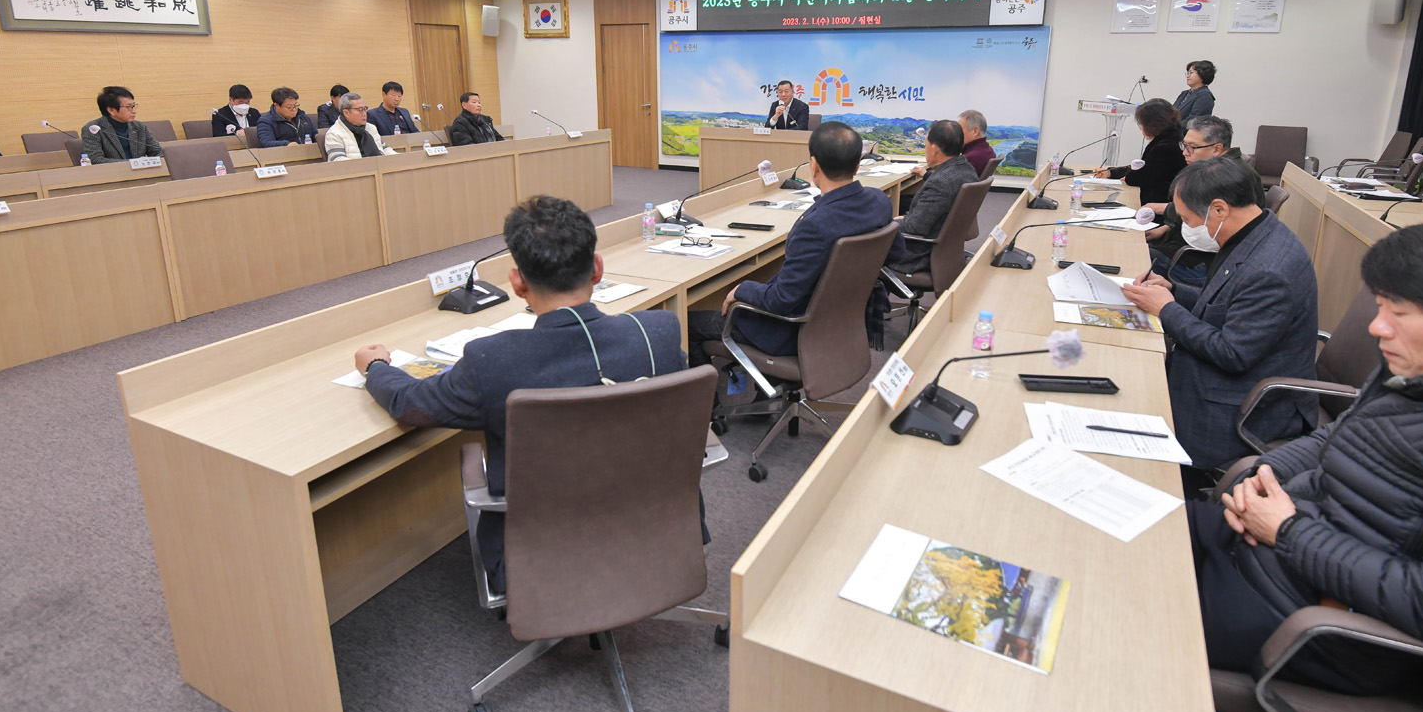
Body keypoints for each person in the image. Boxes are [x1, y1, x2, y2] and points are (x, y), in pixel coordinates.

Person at [1189, 219, 1423, 695]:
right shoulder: (1419, 372)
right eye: (1381, 307)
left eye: (1398, 313)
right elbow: (1338, 437)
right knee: (1117, 528)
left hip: (1313, 623)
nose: (1376, 327)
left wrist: (1287, 531)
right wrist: (1264, 475)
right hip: (1270, 550)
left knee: (1112, 611)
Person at [354, 196, 694, 595]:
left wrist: (376, 366)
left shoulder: (493, 362)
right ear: (598, 269)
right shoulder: (658, 333)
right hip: (658, 536)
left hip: (538, 563)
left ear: (517, 283)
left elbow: (409, 404)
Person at [1121, 156, 1318, 468]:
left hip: (1245, 404)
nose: (1187, 227)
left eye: (1188, 220)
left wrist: (1166, 308)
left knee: (1130, 399)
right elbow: (1226, 304)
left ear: (1219, 209)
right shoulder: (1255, 232)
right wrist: (1173, 291)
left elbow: (1232, 353)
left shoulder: (1270, 271)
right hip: (1230, 373)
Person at [686, 122, 902, 366]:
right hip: (844, 319)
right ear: (857, 165)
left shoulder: (813, 225)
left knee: (689, 325)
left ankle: (708, 390)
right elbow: (896, 252)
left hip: (793, 330)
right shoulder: (878, 201)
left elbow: (781, 299)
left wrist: (741, 289)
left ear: (813, 165)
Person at [1145, 115, 1265, 286]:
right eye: (1184, 145)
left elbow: (1207, 224)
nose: (1185, 152)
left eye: (1192, 147)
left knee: (1134, 256)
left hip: (1201, 261)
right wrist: (1168, 227)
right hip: (1186, 246)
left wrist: (1163, 210)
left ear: (1216, 149)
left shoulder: (1228, 177)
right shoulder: (1219, 167)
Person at [888, 120, 978, 276]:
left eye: (926, 145)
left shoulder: (941, 182)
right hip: (946, 248)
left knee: (865, 237)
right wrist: (907, 217)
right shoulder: (967, 169)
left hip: (918, 254)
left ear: (934, 149)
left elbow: (914, 228)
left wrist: (890, 223)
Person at [1094, 98, 1186, 205]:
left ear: (1152, 124)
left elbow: (1140, 177)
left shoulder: (1165, 147)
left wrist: (1129, 177)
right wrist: (1111, 172)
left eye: (1141, 124)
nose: (1141, 128)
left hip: (1159, 204)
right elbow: (1143, 168)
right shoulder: (1171, 139)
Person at [82, 86, 163, 162]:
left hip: (142, 171)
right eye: (129, 107)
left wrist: (147, 161)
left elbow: (158, 152)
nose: (134, 111)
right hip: (113, 172)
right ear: (111, 110)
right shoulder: (93, 129)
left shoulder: (140, 127)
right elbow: (96, 160)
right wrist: (134, 163)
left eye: (134, 106)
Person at [322, 93, 394, 161]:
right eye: (360, 110)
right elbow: (338, 161)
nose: (364, 113)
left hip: (379, 167)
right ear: (346, 113)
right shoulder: (334, 134)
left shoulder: (370, 128)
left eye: (365, 109)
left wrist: (398, 159)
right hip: (356, 169)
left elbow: (384, 149)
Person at [957, 109, 996, 176]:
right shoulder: (989, 150)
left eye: (959, 130)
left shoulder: (969, 159)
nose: (956, 134)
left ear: (975, 131)